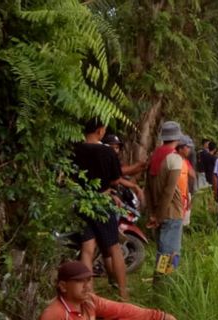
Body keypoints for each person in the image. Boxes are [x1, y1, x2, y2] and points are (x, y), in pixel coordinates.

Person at [72, 118, 127, 300]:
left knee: (87, 249)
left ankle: (89, 295)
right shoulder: (107, 151)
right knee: (114, 248)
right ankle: (123, 294)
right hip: (102, 202)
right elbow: (116, 180)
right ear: (100, 131)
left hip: (82, 203)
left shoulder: (75, 148)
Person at [39, 261, 177, 320]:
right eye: (79, 281)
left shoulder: (89, 301)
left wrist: (159, 317)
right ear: (63, 286)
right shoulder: (54, 314)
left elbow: (122, 309)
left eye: (88, 280)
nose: (86, 286)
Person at [145, 121, 184, 277]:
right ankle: (165, 283)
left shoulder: (154, 156)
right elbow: (169, 191)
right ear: (177, 138)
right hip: (172, 213)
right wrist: (159, 216)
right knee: (171, 253)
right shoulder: (175, 159)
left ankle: (159, 282)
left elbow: (147, 188)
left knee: (162, 251)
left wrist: (153, 213)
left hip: (157, 211)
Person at [102, 134, 145, 205]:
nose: (115, 150)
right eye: (112, 147)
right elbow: (120, 172)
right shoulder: (103, 160)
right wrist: (138, 165)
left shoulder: (115, 160)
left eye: (117, 148)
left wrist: (135, 186)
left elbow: (119, 177)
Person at [176, 135, 195, 226]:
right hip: (175, 198)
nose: (189, 150)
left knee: (181, 223)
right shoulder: (175, 161)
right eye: (187, 147)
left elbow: (186, 179)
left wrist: (187, 196)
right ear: (180, 148)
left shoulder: (185, 162)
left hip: (183, 197)